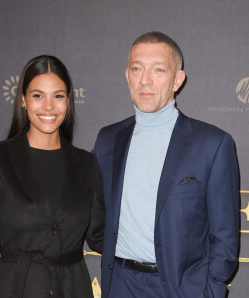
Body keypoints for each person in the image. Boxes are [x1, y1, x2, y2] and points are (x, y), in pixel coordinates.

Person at [92, 32, 239, 298]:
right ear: (127, 76)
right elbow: (88, 209)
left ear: (177, 79)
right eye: (137, 69)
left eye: (158, 70)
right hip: (119, 285)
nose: (145, 80)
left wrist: (211, 291)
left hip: (182, 289)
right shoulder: (108, 139)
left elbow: (225, 237)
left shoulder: (212, 144)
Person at [0, 55, 105, 298]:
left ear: (68, 101)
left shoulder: (86, 163)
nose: (48, 107)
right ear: (23, 100)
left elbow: (99, 236)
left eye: (58, 96)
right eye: (37, 95)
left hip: (73, 289)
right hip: (18, 289)